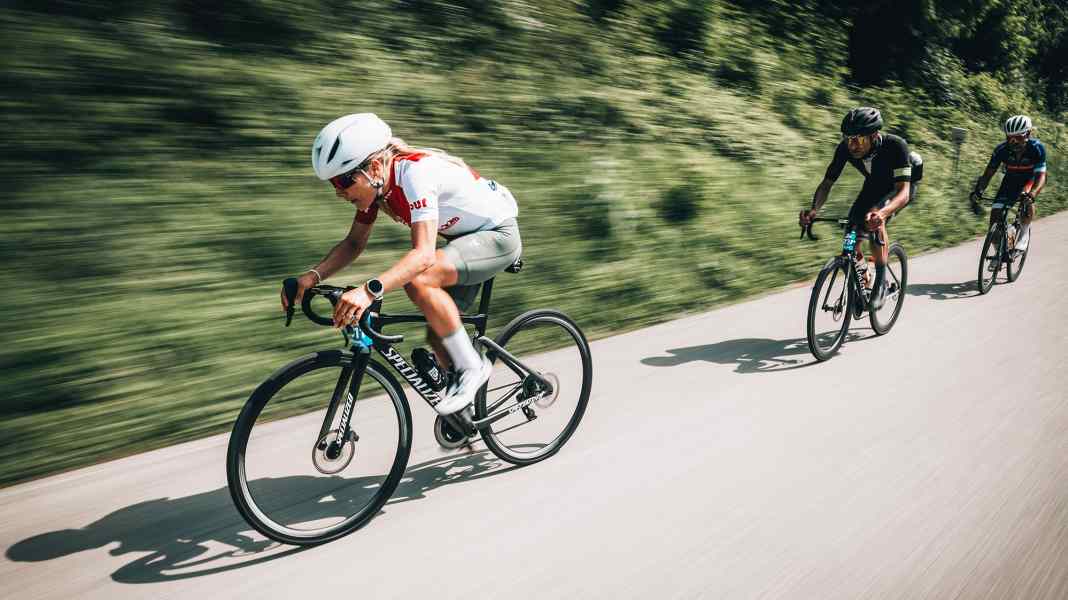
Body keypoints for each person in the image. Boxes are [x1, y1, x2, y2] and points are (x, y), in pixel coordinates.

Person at [282, 113, 522, 415]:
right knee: (439, 333)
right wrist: (312, 277)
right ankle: (466, 418)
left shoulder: (415, 175)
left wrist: (368, 291)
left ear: (374, 167)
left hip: (497, 236)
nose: (339, 191)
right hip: (464, 242)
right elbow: (354, 243)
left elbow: (423, 256)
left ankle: (473, 368)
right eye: (333, 183)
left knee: (419, 280)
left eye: (344, 180)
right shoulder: (379, 189)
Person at [800, 107, 917, 310]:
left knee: (874, 220)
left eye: (859, 140)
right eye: (848, 139)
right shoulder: (845, 149)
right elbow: (827, 183)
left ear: (874, 135)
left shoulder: (895, 145)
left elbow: (904, 192)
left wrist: (882, 213)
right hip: (873, 187)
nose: (852, 145)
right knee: (851, 234)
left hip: (898, 189)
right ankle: (864, 278)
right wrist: (814, 210)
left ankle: (880, 283)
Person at [969, 115, 1047, 253]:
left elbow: (1041, 176)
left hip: (1030, 178)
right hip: (1010, 179)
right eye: (1009, 137)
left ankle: (1024, 233)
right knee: (995, 217)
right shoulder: (1001, 150)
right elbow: (988, 174)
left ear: (1028, 134)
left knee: (1026, 197)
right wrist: (978, 191)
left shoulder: (1037, 148)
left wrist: (1033, 193)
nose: (1013, 141)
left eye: (1018, 137)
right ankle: (1000, 253)